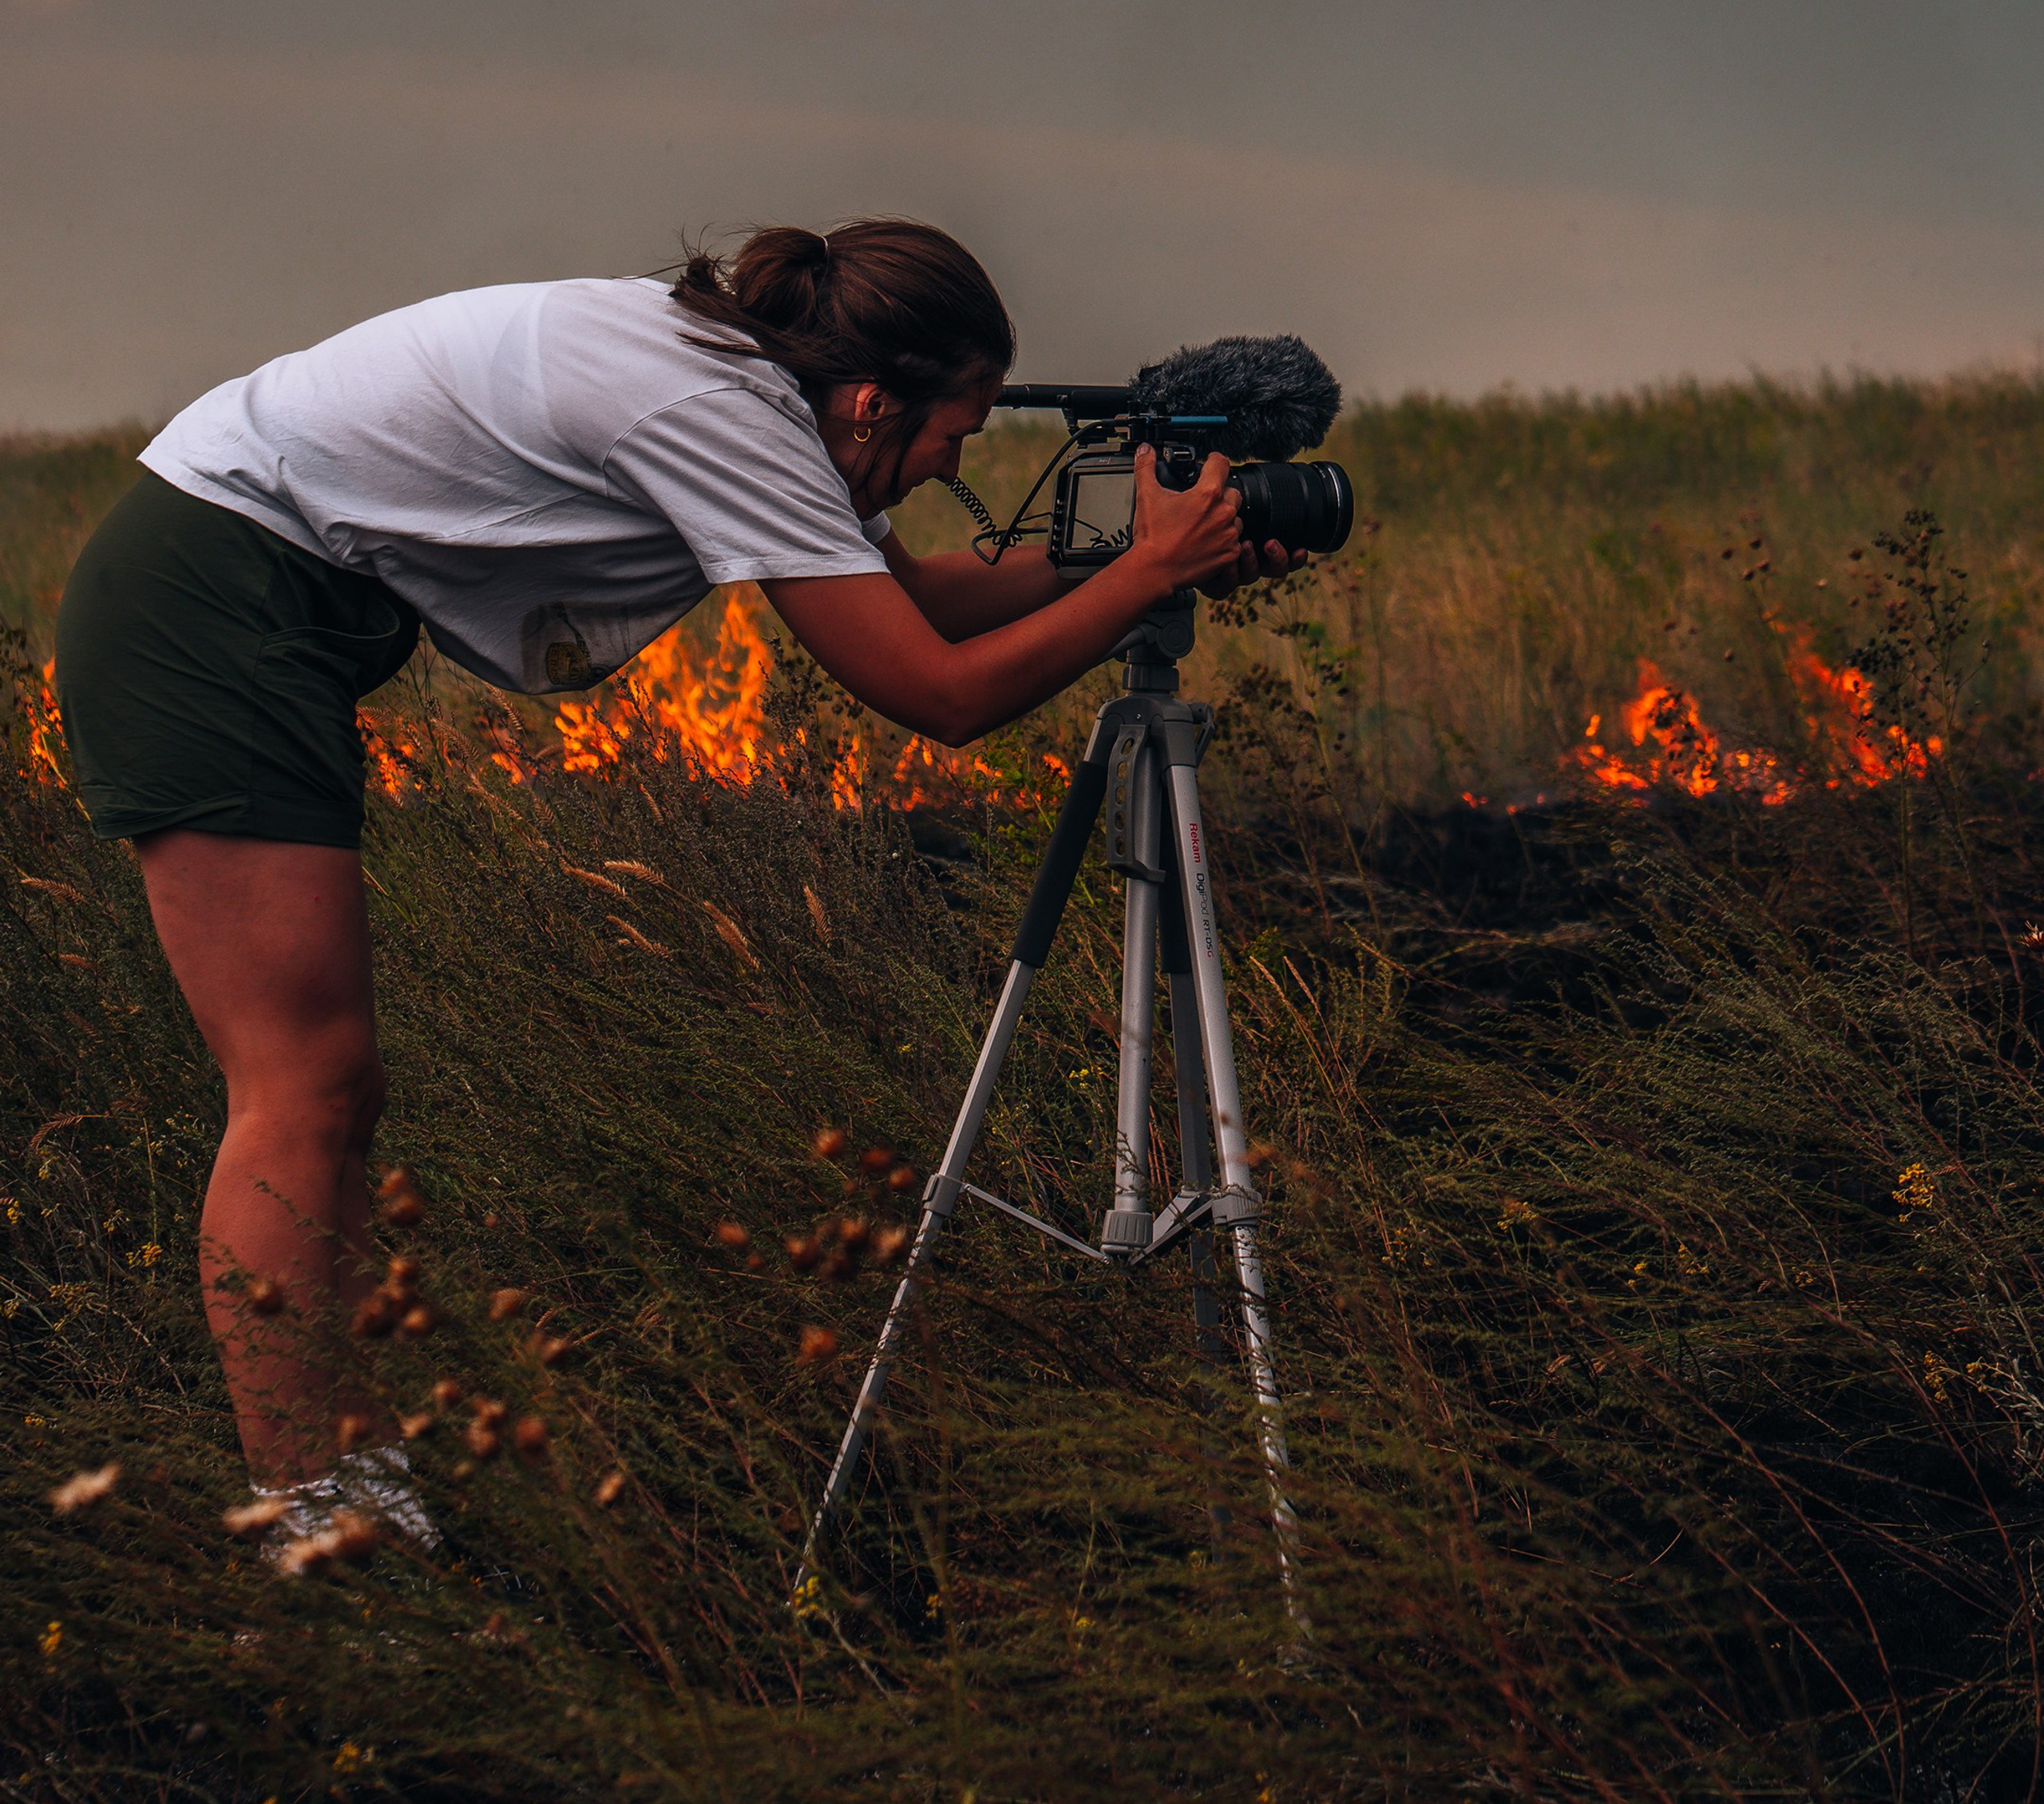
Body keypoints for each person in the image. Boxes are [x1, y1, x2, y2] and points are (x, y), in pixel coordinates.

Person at [53, 217, 1305, 1548]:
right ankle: (309, 1522)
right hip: (211, 599)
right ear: (876, 398)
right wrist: (1150, 573)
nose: (952, 467)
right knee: (303, 1082)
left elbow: (926, 603)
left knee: (338, 1088)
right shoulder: (717, 407)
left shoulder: (758, 386)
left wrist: (1148, 561)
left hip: (249, 588)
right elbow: (938, 695)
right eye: (958, 431)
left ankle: (347, 1486)